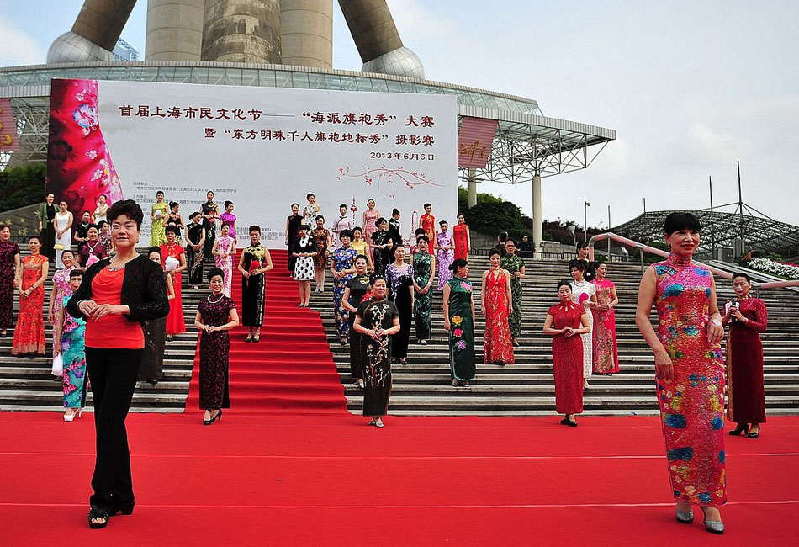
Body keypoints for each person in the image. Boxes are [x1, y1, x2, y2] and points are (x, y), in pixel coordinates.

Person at [66, 200, 168, 529]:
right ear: (109, 230)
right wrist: (82, 302)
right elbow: (72, 302)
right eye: (116, 224)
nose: (122, 230)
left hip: (126, 349)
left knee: (108, 421)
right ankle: (124, 495)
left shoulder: (147, 267)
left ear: (138, 232)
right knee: (110, 424)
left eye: (129, 225)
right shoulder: (96, 267)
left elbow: (159, 306)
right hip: (95, 348)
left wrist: (118, 309)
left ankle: (101, 499)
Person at [635, 212, 726, 534]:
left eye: (693, 233)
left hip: (708, 360)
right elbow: (642, 316)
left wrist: (716, 323)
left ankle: (711, 500)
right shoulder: (656, 272)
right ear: (667, 238)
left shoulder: (705, 273)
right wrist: (659, 351)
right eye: (681, 233)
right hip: (672, 361)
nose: (688, 238)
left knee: (711, 430)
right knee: (680, 431)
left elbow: (714, 311)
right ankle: (684, 497)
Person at [723, 272, 767, 438]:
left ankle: (755, 422)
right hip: (734, 345)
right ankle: (741, 421)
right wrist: (727, 316)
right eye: (735, 284)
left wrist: (743, 319)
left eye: (742, 284)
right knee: (737, 382)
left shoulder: (757, 303)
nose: (739, 287)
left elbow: (763, 326)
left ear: (749, 284)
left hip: (751, 345)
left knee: (753, 381)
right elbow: (720, 323)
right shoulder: (729, 304)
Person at [353, 276, 400, 428]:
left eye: (383, 285)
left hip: (384, 348)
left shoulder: (392, 305)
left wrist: (386, 332)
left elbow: (397, 327)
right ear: (371, 287)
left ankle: (379, 415)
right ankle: (372, 415)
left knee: (382, 380)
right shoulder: (364, 305)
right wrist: (368, 332)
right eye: (378, 285)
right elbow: (355, 325)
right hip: (368, 347)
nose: (381, 288)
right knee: (370, 380)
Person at [194, 267, 239, 425]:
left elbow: (236, 321)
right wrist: (204, 327)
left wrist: (220, 328)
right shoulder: (204, 301)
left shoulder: (228, 301)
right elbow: (196, 321)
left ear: (223, 282)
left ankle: (215, 407)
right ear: (209, 284)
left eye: (219, 281)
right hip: (206, 341)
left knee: (218, 373)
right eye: (214, 281)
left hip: (221, 341)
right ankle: (208, 406)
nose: (217, 284)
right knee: (206, 373)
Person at [543, 280, 591, 426]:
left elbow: (587, 327)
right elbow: (545, 328)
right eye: (561, 291)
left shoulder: (578, 308)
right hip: (560, 345)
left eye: (567, 291)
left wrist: (575, 330)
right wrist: (560, 331)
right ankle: (565, 412)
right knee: (562, 378)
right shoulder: (554, 310)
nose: (564, 293)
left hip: (575, 345)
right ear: (558, 294)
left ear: (571, 292)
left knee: (574, 378)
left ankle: (572, 414)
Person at [53, 269, 88, 421]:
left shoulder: (89, 300)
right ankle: (69, 406)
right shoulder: (65, 299)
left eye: (79, 280)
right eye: (73, 280)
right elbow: (59, 321)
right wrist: (57, 343)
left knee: (81, 375)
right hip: (68, 341)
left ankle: (77, 405)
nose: (76, 283)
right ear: (69, 282)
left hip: (84, 340)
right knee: (68, 375)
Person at [140, 248, 174, 386]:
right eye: (152, 259)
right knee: (145, 343)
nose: (154, 261)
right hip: (146, 313)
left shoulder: (166, 275)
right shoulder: (142, 276)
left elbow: (172, 295)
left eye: (157, 259)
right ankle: (143, 373)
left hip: (159, 314)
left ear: (161, 261)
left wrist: (160, 300)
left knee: (158, 343)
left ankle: (155, 373)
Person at [12, 236, 49, 355]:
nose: (33, 245)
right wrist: (20, 289)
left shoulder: (44, 259)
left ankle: (34, 347)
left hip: (36, 292)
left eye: (35, 243)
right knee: (24, 317)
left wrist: (31, 289)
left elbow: (44, 277)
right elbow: (21, 276)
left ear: (40, 245)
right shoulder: (24, 259)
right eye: (31, 243)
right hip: (24, 292)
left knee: (35, 317)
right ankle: (23, 347)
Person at [443, 259, 476, 387]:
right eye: (466, 268)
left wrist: (473, 319)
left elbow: (472, 302)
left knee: (468, 347)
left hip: (467, 318)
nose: (467, 270)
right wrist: (446, 319)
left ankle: (467, 376)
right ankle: (456, 376)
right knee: (457, 346)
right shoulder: (449, 284)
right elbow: (445, 303)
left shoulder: (469, 283)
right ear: (458, 268)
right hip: (455, 318)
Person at [239, 225, 273, 342]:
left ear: (260, 236)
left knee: (258, 304)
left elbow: (270, 266)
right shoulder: (246, 249)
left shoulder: (263, 249)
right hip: (247, 279)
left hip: (259, 280)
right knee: (248, 304)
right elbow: (240, 265)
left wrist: (259, 271)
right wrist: (244, 272)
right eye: (252, 235)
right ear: (249, 235)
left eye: (256, 235)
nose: (254, 237)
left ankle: (257, 331)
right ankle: (249, 332)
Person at [341, 255, 371, 387]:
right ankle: (358, 375)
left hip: (370, 315)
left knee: (370, 345)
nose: (360, 265)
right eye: (357, 263)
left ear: (366, 265)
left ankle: (370, 373)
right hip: (356, 316)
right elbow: (344, 299)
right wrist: (352, 309)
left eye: (362, 263)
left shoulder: (372, 280)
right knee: (356, 345)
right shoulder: (351, 281)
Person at [482, 249, 514, 365]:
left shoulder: (505, 272)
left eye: (497, 258)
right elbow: (483, 290)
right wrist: (482, 305)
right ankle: (491, 355)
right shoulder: (486, 273)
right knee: (491, 326)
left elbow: (508, 289)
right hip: (490, 302)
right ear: (489, 259)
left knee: (501, 326)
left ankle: (502, 355)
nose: (495, 261)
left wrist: (510, 304)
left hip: (502, 301)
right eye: (493, 258)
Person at [569, 259, 596, 387]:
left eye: (575, 270)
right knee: (573, 347)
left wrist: (589, 303)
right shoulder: (569, 286)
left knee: (586, 347)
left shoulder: (590, 286)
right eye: (572, 270)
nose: (573, 272)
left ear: (582, 271)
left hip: (586, 316)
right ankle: (573, 375)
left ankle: (584, 377)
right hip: (572, 317)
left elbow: (595, 303)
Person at [385, 246, 414, 364]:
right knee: (392, 326)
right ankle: (393, 353)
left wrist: (413, 300)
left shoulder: (409, 268)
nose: (401, 253)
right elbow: (387, 285)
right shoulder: (389, 268)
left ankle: (402, 354)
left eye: (403, 251)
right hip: (393, 299)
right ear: (394, 253)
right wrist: (386, 300)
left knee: (405, 326)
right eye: (399, 251)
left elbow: (411, 285)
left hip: (405, 299)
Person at [48, 250, 78, 359]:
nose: (67, 259)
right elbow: (53, 293)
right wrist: (50, 309)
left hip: (72, 304)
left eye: (69, 257)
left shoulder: (77, 273)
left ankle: (71, 361)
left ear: (74, 258)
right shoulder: (58, 273)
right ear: (61, 260)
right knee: (57, 332)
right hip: (58, 305)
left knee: (71, 331)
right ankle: (58, 364)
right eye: (64, 257)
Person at [591, 262, 620, 374]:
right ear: (596, 270)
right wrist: (597, 306)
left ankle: (608, 367)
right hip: (596, 314)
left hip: (608, 314)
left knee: (608, 339)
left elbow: (615, 299)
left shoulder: (610, 284)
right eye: (602, 268)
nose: (604, 270)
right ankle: (596, 366)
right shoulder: (591, 284)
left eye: (605, 269)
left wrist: (609, 305)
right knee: (597, 338)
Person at [331, 230, 358, 345]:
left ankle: (345, 333)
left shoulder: (354, 252)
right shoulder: (336, 252)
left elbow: (357, 268)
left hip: (349, 283)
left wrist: (346, 271)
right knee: (338, 307)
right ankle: (339, 328)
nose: (345, 239)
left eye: (347, 237)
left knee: (346, 307)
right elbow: (332, 267)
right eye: (343, 237)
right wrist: (335, 273)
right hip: (338, 283)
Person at [160, 226, 187, 341]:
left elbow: (185, 265)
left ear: (176, 236)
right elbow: (159, 262)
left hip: (175, 278)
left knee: (174, 303)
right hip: (164, 277)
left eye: (172, 234)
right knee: (165, 301)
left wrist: (175, 270)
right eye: (168, 234)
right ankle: (164, 329)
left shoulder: (180, 249)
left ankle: (172, 330)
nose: (170, 236)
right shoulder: (161, 248)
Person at [501, 239, 526, 346]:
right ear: (505, 247)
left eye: (512, 246)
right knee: (504, 312)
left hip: (516, 289)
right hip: (503, 289)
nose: (510, 247)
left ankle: (514, 337)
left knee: (516, 312)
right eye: (508, 246)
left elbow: (523, 274)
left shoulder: (519, 260)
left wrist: (518, 274)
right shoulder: (501, 260)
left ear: (515, 248)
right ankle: (504, 336)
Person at [411, 235, 435, 344]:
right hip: (416, 283)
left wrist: (428, 284)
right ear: (417, 244)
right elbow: (411, 272)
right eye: (420, 242)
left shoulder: (432, 257)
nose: (422, 244)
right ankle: (419, 336)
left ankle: (425, 336)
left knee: (426, 311)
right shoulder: (413, 256)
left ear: (427, 244)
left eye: (424, 242)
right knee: (418, 311)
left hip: (427, 284)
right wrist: (414, 284)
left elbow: (433, 272)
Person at [0, 225, 21, 336]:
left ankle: (4, 326)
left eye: (7, 231)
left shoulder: (14, 246)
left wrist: (16, 277)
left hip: (8, 276)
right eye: (4, 231)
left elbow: (17, 263)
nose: (6, 233)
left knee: (7, 302)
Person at [292, 224, 316, 307]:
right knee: (300, 282)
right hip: (299, 262)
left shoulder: (311, 239)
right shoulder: (297, 240)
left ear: (307, 230)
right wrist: (298, 255)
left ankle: (307, 301)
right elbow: (293, 252)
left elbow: (315, 252)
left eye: (303, 230)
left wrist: (308, 254)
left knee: (307, 282)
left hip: (308, 262)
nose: (301, 232)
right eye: (300, 230)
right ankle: (302, 301)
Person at [212, 223, 236, 297]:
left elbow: (234, 251)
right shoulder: (218, 239)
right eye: (224, 228)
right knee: (219, 279)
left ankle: (227, 296)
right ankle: (218, 295)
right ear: (221, 229)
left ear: (229, 230)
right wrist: (220, 253)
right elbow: (213, 251)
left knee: (227, 279)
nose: (225, 230)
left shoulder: (232, 240)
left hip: (227, 262)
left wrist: (228, 254)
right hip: (219, 262)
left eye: (227, 228)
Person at [185, 211, 206, 289]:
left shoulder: (202, 227)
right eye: (197, 217)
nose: (199, 219)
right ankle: (191, 283)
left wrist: (199, 244)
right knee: (191, 264)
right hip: (191, 247)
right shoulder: (188, 226)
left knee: (199, 265)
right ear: (193, 217)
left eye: (200, 217)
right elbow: (186, 237)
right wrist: (192, 245)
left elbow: (203, 237)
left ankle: (197, 283)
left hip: (199, 248)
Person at [311, 215, 332, 292]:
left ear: (323, 221)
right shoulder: (313, 232)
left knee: (322, 269)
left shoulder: (326, 231)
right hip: (315, 252)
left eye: (321, 220)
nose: (319, 222)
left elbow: (329, 241)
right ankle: (317, 284)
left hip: (323, 252)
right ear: (316, 222)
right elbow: (310, 242)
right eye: (318, 220)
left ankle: (322, 285)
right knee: (316, 269)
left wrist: (328, 250)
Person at [37, 192, 57, 262]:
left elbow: (59, 214)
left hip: (53, 226)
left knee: (52, 241)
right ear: (47, 198)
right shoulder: (43, 206)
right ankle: (44, 257)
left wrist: (54, 219)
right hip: (45, 225)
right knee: (45, 241)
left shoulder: (55, 206)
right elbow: (40, 216)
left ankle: (51, 257)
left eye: (53, 197)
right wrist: (40, 225)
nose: (51, 198)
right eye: (50, 197)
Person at [435, 220, 454, 290]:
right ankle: (441, 286)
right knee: (442, 270)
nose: (444, 227)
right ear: (441, 227)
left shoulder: (450, 235)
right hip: (441, 255)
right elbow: (435, 246)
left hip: (448, 255)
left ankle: (449, 286)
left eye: (445, 226)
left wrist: (448, 247)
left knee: (448, 270)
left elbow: (453, 246)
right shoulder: (438, 235)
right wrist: (441, 247)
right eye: (443, 226)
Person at [54, 200, 73, 267]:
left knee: (66, 247)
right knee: (59, 248)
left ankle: (66, 264)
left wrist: (62, 231)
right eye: (61, 205)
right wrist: (57, 231)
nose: (62, 206)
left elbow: (69, 224)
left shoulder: (69, 214)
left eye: (64, 205)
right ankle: (59, 265)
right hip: (58, 233)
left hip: (66, 232)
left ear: (66, 206)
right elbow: (55, 224)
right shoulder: (57, 214)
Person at [285, 203, 303, 273]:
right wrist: (286, 238)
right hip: (290, 238)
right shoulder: (289, 217)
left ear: (298, 209)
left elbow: (302, 228)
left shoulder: (301, 218)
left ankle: (297, 270)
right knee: (290, 254)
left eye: (296, 207)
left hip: (298, 238)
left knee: (297, 253)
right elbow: (287, 228)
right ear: (292, 209)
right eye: (294, 207)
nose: (295, 209)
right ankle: (291, 271)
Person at [201, 190, 219, 258]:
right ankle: (205, 255)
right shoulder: (203, 205)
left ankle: (211, 255)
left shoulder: (215, 205)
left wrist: (213, 216)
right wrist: (205, 216)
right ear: (207, 196)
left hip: (211, 223)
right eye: (209, 195)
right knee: (205, 238)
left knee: (211, 238)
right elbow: (200, 214)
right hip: (205, 223)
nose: (210, 196)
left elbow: (219, 216)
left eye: (211, 195)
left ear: (213, 196)